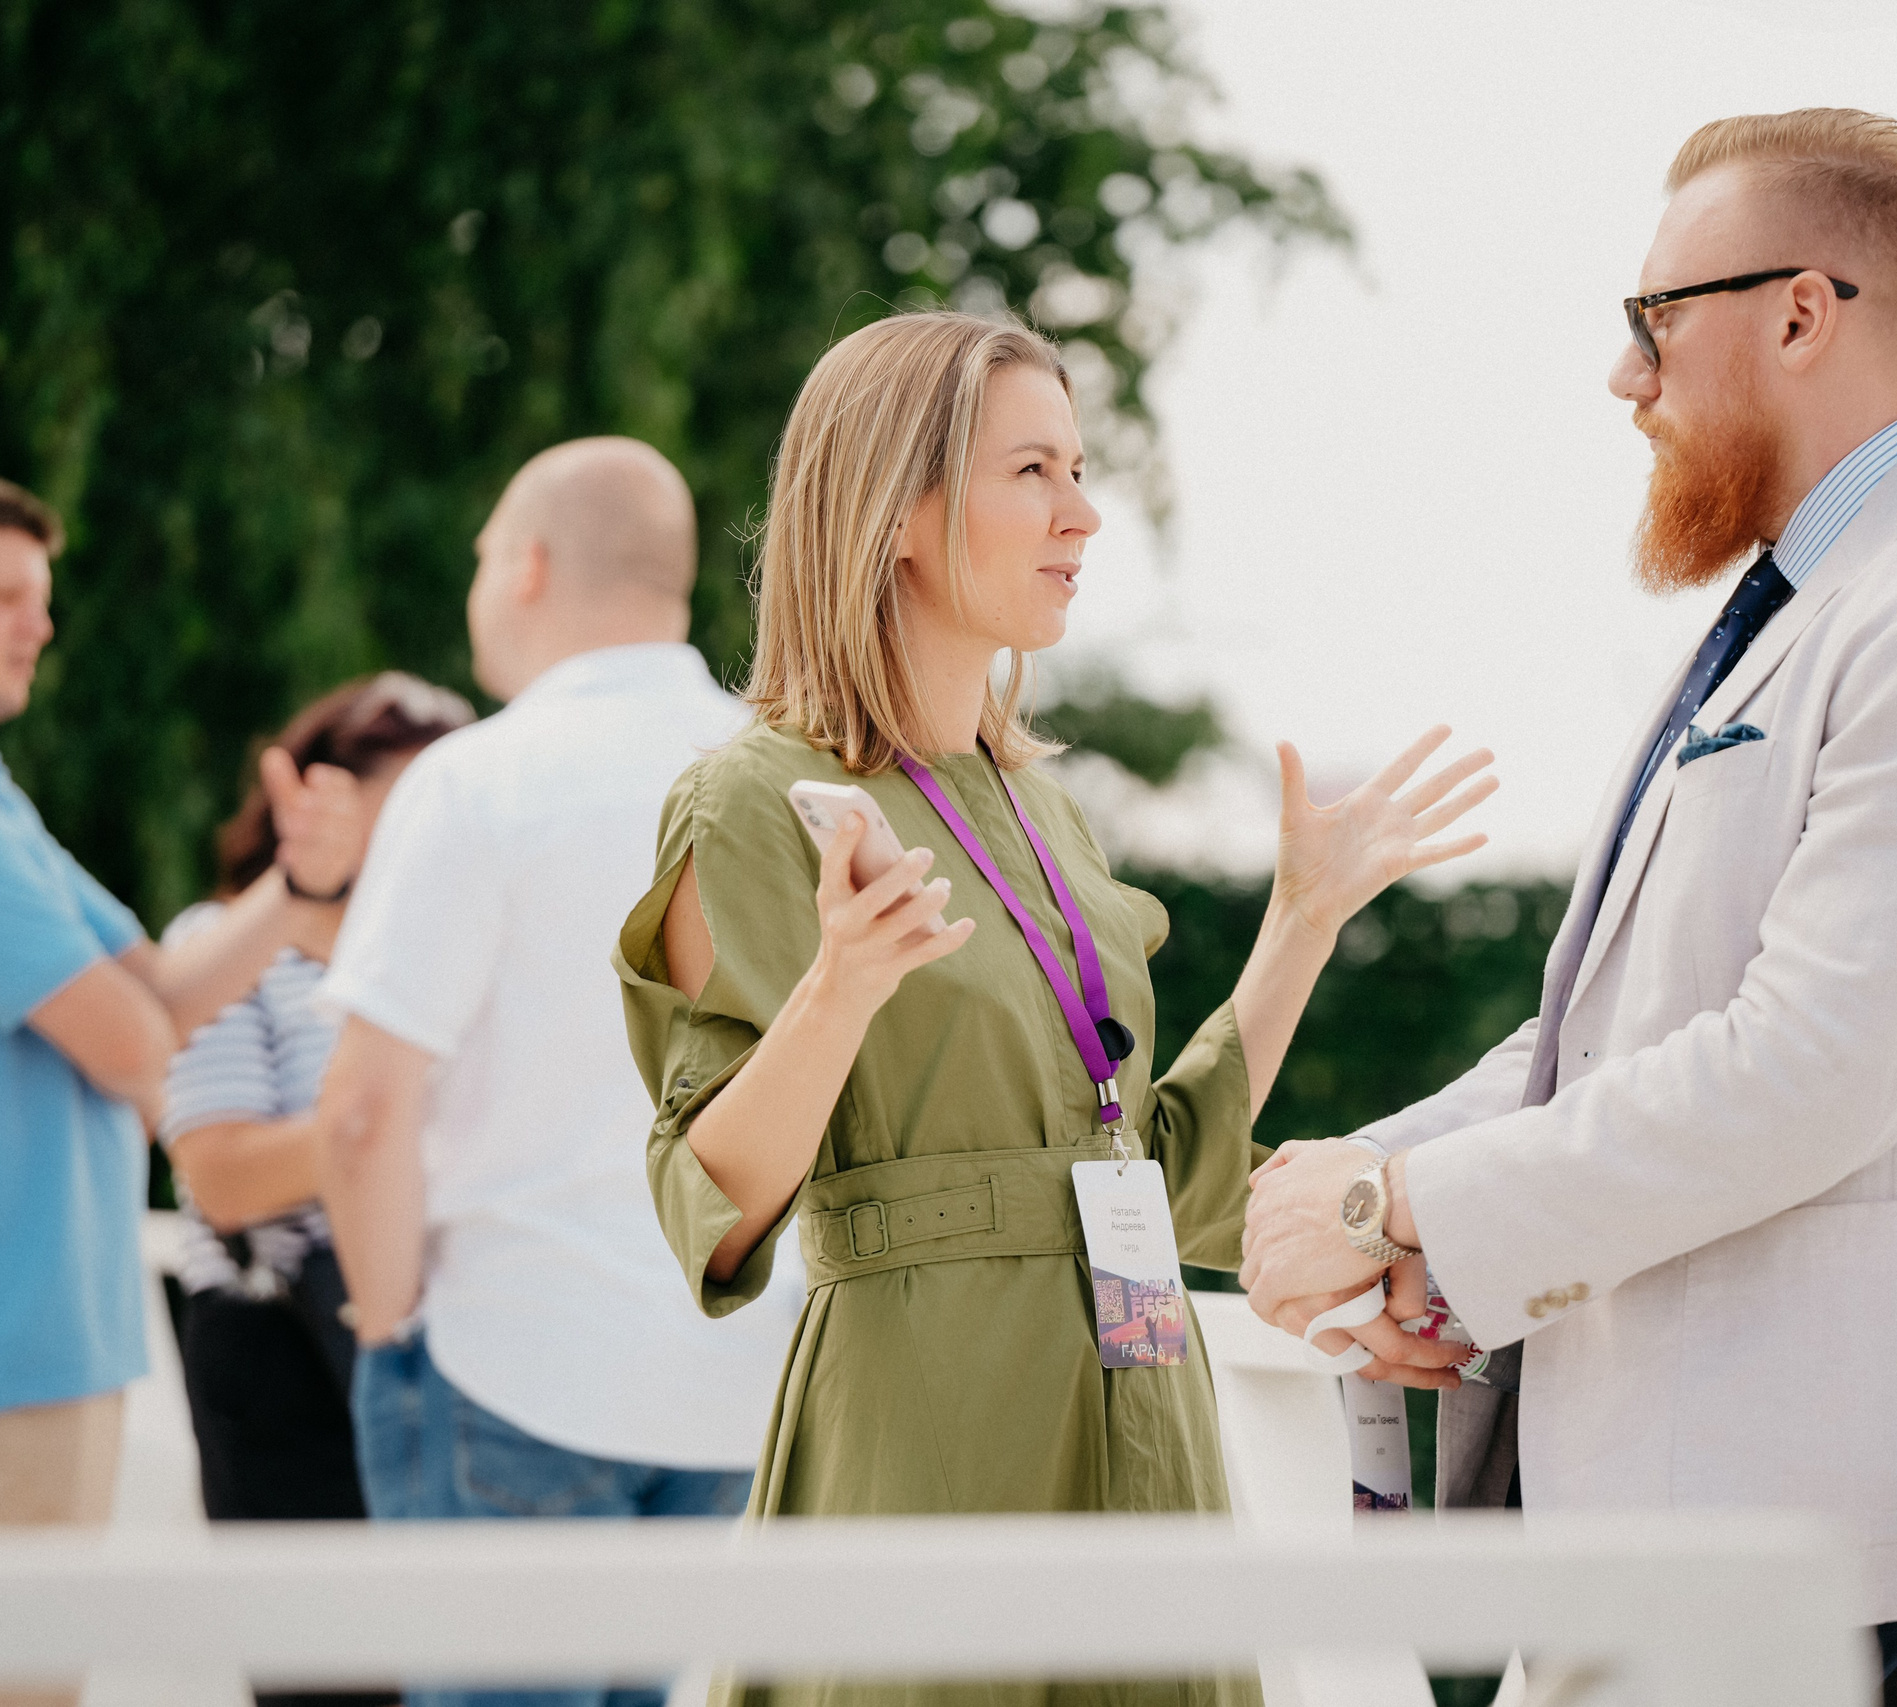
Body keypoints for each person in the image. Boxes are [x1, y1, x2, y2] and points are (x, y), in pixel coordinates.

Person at [1237, 110, 1897, 1678]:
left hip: (1791, 1519)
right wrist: (1368, 1169)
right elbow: (1609, 1033)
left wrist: (1386, 1208)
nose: (1625, 377)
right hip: (1659, 1500)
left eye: (1655, 318)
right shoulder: (1810, 598)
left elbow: (1805, 1068)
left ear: (1802, 311)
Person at [612, 310, 1497, 1707]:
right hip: (935, 1414)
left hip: (1144, 1386)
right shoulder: (745, 798)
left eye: (1079, 470)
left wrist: (1303, 923)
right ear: (895, 508)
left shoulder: (1051, 810)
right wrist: (841, 984)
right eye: (1034, 471)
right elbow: (707, 1199)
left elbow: (1151, 1159)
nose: (1084, 514)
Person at [0, 464, 368, 1707]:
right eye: (4, 593)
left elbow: (164, 984)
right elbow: (134, 1041)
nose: (39, 625)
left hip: (25, 1334)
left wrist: (298, 886)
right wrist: (167, 1029)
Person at [310, 439, 804, 1707]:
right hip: (726, 1384)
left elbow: (364, 1105)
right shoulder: (790, 784)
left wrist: (385, 1328)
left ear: (523, 565)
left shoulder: (476, 780)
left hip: (504, 1366)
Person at [159, 675, 471, 1545]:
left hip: (447, 1338)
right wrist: (378, 1119)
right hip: (279, 1358)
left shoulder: (462, 957)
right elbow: (222, 1177)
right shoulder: (220, 952)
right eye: (414, 799)